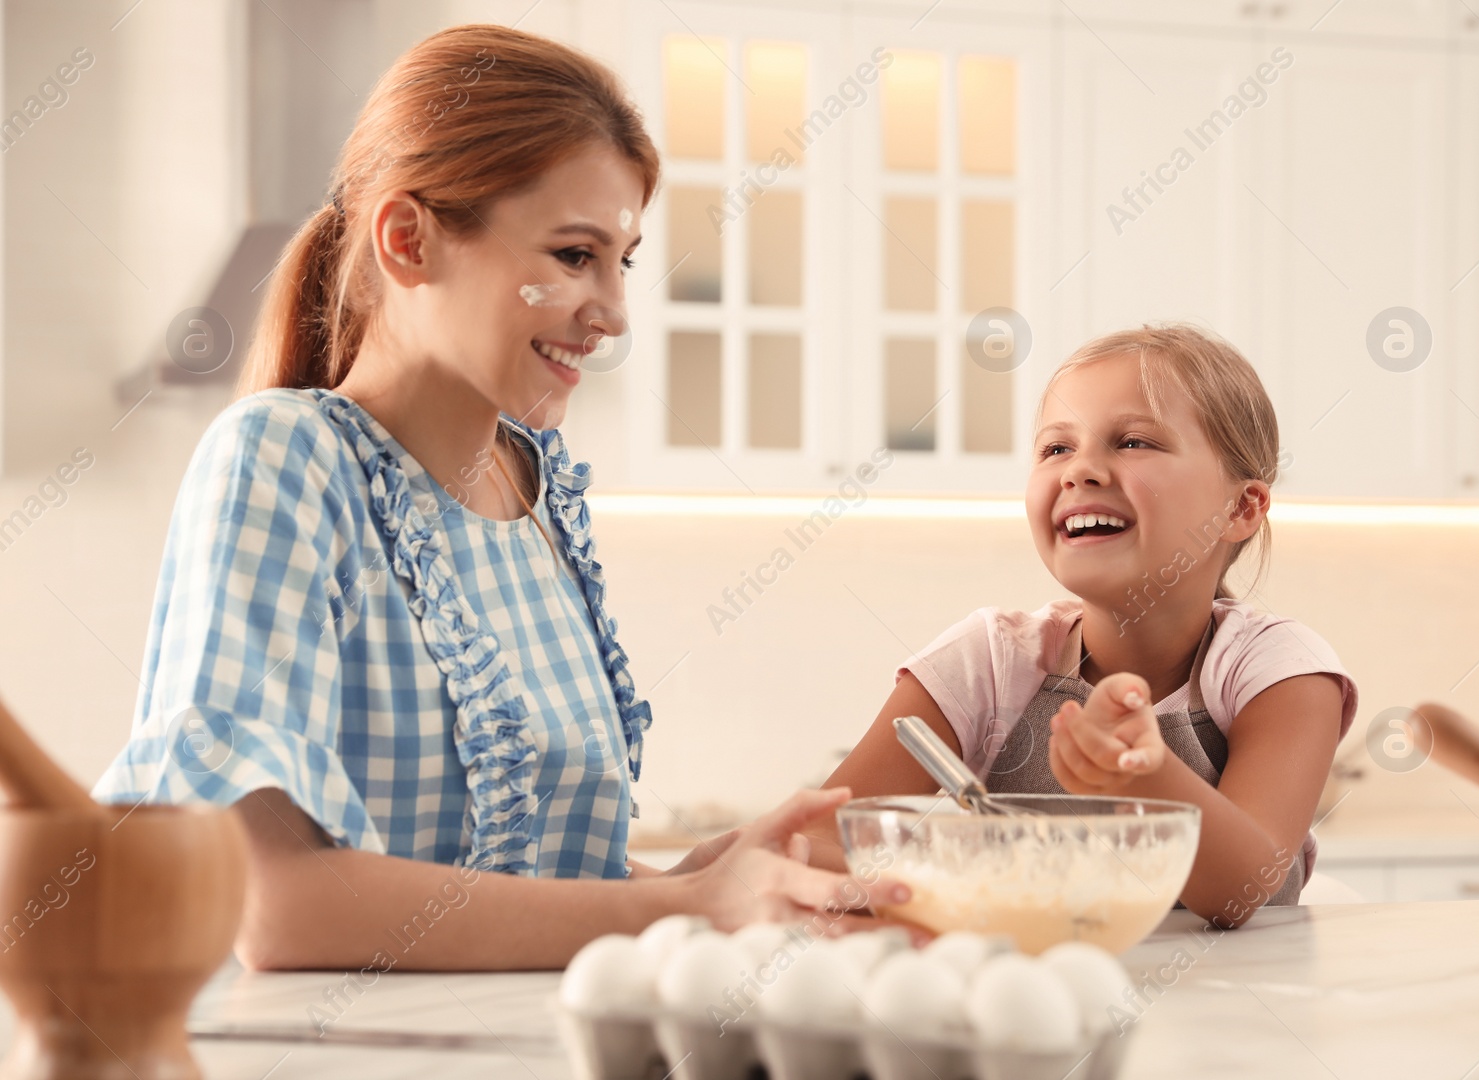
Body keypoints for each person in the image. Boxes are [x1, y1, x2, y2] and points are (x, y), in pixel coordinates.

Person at [93, 24, 902, 971]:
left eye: (623, 260)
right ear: (408, 241)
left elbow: (519, 887)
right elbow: (275, 908)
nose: (613, 312)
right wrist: (680, 909)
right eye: (572, 254)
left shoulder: (540, 490)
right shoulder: (284, 461)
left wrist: (695, 885)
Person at [807, 325, 1358, 928]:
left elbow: (1239, 892)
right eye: (1055, 449)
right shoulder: (991, 658)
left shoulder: (1279, 668)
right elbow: (815, 841)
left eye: (1133, 441)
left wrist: (1146, 774)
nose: (1081, 470)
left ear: (1241, 508)